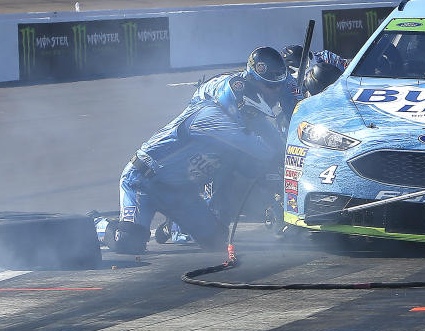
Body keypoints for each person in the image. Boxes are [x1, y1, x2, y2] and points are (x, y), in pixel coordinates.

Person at [106, 47, 294, 254]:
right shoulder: (208, 117)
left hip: (180, 194)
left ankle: (172, 224)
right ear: (239, 105)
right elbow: (262, 150)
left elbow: (263, 155)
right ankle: (99, 224)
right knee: (128, 242)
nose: (255, 119)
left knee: (217, 241)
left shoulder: (236, 115)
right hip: (144, 181)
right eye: (251, 113)